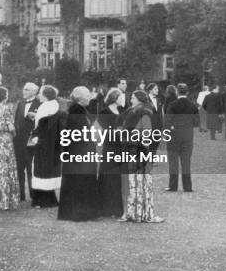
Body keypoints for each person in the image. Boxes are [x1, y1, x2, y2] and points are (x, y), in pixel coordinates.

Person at [121, 90, 164, 223]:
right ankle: (145, 214)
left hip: (133, 151)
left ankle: (134, 213)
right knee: (143, 182)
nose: (131, 100)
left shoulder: (135, 113)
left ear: (140, 99)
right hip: (138, 151)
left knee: (134, 182)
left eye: (133, 98)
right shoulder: (142, 113)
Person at [58, 86, 99, 221]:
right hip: (79, 153)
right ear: (80, 98)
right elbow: (80, 133)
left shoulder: (80, 110)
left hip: (80, 152)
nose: (90, 97)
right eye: (88, 95)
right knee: (79, 182)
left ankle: (82, 211)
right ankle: (79, 212)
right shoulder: (76, 111)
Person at [30, 85, 63, 208]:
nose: (38, 95)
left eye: (40, 93)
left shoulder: (44, 107)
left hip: (43, 143)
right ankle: (51, 199)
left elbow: (40, 126)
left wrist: (35, 137)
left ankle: (40, 200)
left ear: (45, 95)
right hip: (54, 144)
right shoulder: (56, 106)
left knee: (40, 169)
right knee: (49, 170)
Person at [95, 87, 125, 217]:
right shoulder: (104, 112)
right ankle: (106, 207)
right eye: (120, 97)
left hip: (119, 146)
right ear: (114, 98)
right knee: (108, 176)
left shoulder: (120, 111)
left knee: (117, 177)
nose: (122, 99)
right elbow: (104, 130)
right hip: (110, 146)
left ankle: (116, 207)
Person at [164, 83, 199, 192]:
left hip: (174, 135)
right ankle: (187, 186)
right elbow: (197, 123)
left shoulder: (172, 105)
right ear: (187, 92)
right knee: (186, 161)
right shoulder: (193, 106)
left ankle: (173, 186)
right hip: (188, 135)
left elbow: (167, 122)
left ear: (177, 92)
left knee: (173, 161)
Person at [13, 82, 41, 201]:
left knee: (31, 169)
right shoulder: (20, 103)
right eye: (24, 89)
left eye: (27, 89)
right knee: (19, 168)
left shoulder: (40, 104)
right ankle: (21, 195)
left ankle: (33, 194)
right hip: (18, 141)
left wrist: (36, 116)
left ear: (34, 92)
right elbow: (16, 121)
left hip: (32, 141)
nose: (24, 91)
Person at [146, 83, 163, 153]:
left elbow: (160, 113)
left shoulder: (159, 100)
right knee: (149, 143)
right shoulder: (145, 100)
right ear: (150, 90)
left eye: (157, 89)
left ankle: (152, 157)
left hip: (158, 126)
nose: (157, 90)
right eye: (155, 89)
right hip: (149, 125)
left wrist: (161, 124)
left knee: (156, 142)